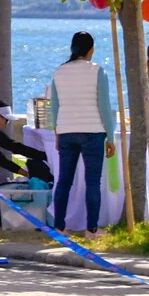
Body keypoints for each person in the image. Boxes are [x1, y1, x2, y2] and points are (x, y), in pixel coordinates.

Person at [45, 32, 114, 231]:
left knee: (64, 181)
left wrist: (58, 132)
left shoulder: (59, 71)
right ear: (91, 50)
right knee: (92, 182)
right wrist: (110, 136)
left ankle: (59, 227)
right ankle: (91, 229)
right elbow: (104, 106)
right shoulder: (97, 71)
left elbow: (55, 107)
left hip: (66, 130)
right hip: (93, 131)